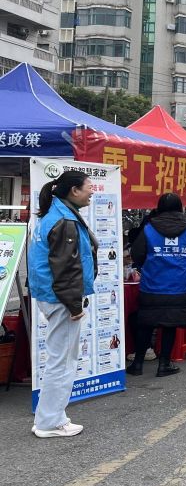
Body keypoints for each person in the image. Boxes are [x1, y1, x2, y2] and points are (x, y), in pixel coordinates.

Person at [28, 171, 97, 438]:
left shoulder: (52, 215)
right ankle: (50, 422)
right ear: (74, 191)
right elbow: (66, 268)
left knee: (60, 359)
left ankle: (48, 418)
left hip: (51, 296)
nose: (92, 191)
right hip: (62, 299)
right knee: (63, 361)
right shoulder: (64, 220)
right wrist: (74, 306)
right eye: (89, 187)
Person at [128, 193, 186, 377]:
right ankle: (164, 364)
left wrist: (153, 264)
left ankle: (138, 364)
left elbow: (137, 254)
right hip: (181, 286)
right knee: (170, 325)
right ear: (180, 208)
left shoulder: (149, 228)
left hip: (152, 285)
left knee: (146, 324)